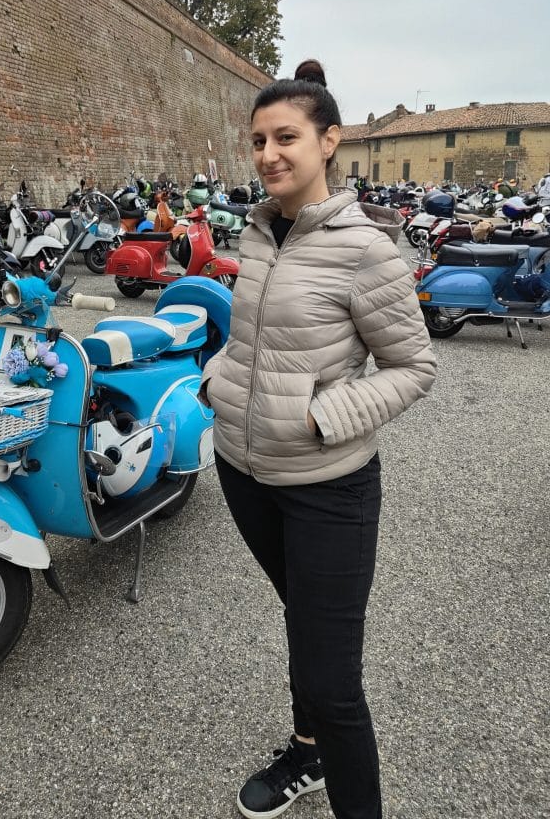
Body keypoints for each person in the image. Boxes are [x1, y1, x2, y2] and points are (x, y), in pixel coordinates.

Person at [200, 59, 436, 819]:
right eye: (259, 139)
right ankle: (307, 754)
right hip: (243, 472)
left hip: (327, 490)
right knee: (302, 626)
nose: (269, 153)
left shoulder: (366, 249)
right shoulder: (258, 233)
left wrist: (321, 417)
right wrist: (218, 382)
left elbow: (413, 366)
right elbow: (251, 341)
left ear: (329, 141)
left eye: (287, 137)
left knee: (334, 684)